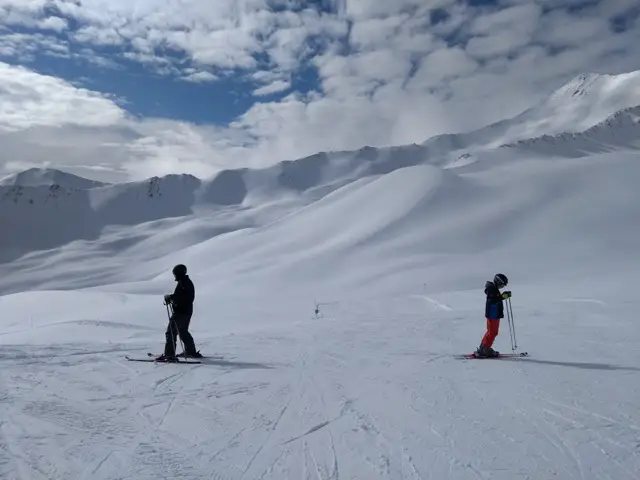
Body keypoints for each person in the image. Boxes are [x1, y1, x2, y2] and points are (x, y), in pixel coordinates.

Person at [156, 264, 203, 362]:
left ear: (179, 273)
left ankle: (169, 355)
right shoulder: (185, 282)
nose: (174, 276)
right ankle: (190, 351)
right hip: (186, 312)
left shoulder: (184, 283)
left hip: (181, 312)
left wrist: (171, 298)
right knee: (182, 331)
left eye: (175, 274)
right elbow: (181, 296)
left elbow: (185, 298)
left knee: (171, 332)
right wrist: (172, 298)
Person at [476, 273, 511, 357]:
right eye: (502, 285)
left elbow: (495, 299)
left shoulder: (492, 289)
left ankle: (483, 347)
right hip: (493, 314)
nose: (502, 287)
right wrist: (503, 296)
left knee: (491, 332)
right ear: (499, 282)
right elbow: (493, 301)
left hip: (493, 314)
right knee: (493, 332)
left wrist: (503, 296)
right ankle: (485, 349)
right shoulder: (492, 289)